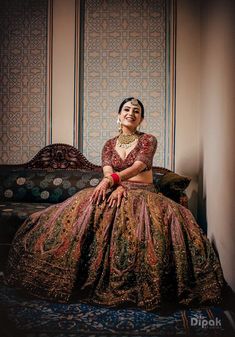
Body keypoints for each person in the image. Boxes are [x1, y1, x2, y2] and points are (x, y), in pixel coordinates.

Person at [5, 97, 225, 311]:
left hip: (143, 193)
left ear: (141, 119)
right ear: (118, 116)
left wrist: (114, 181)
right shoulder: (109, 144)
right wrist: (113, 184)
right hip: (115, 189)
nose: (131, 113)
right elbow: (108, 169)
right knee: (86, 207)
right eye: (127, 109)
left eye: (136, 111)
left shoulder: (148, 139)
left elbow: (139, 166)